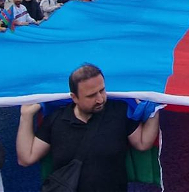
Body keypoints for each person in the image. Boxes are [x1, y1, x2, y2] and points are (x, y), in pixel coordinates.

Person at [16, 63, 160, 192]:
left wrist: (154, 108)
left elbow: (143, 143)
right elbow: (26, 158)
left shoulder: (119, 111)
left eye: (102, 91)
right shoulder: (56, 120)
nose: (100, 99)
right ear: (74, 97)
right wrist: (26, 117)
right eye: (91, 96)